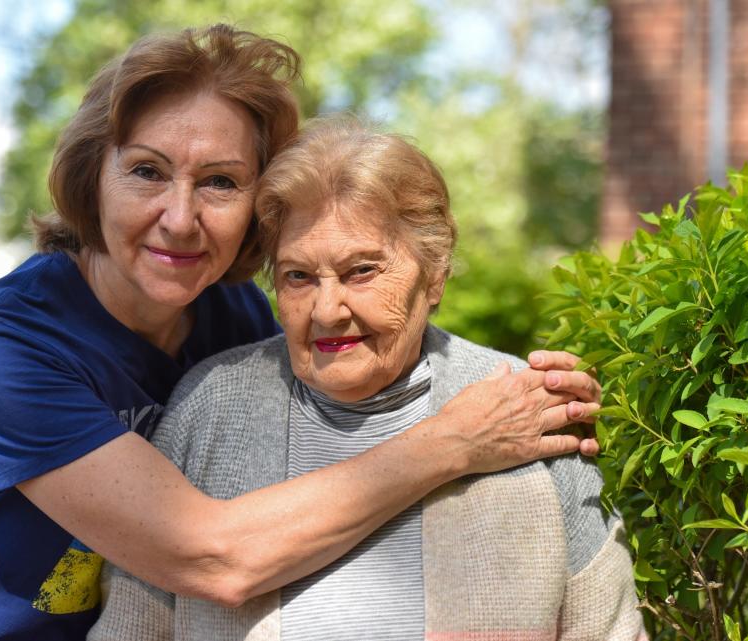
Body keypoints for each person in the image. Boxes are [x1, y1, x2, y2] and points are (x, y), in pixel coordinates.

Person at [0, 26, 602, 641]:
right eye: (147, 171)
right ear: (93, 178)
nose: (181, 218)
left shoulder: (232, 319)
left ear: (257, 203)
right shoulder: (1, 347)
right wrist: (456, 438)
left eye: (219, 182)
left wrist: (521, 391)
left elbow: (379, 330)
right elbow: (213, 556)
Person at [90, 117, 645, 641]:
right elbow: (132, 627)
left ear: (434, 275)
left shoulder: (524, 410)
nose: (328, 310)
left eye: (361, 271)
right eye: (298, 277)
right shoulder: (210, 408)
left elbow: (607, 627)